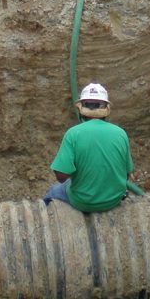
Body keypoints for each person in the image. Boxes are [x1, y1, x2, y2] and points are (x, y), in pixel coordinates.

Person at [44, 83, 134, 213]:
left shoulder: (73, 134)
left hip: (83, 202)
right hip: (113, 200)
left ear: (81, 108)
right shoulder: (121, 133)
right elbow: (126, 173)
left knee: (53, 191)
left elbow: (61, 176)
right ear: (106, 109)